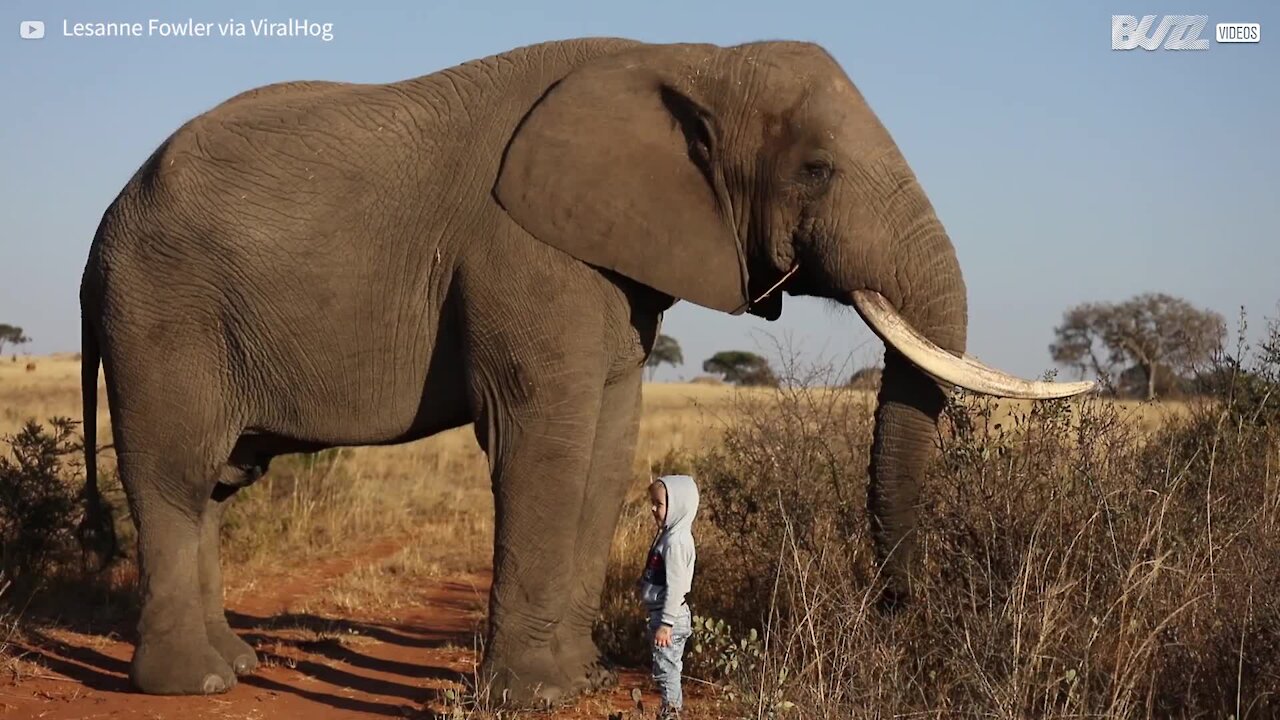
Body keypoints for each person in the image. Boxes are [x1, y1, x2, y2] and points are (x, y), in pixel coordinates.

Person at [636, 474, 698, 718]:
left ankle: (671, 715)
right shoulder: (669, 535)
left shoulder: (676, 542)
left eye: (659, 504)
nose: (653, 508)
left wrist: (666, 624)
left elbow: (676, 586)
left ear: (678, 505)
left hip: (669, 616)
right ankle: (669, 712)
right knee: (665, 669)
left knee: (667, 672)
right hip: (663, 614)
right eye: (653, 502)